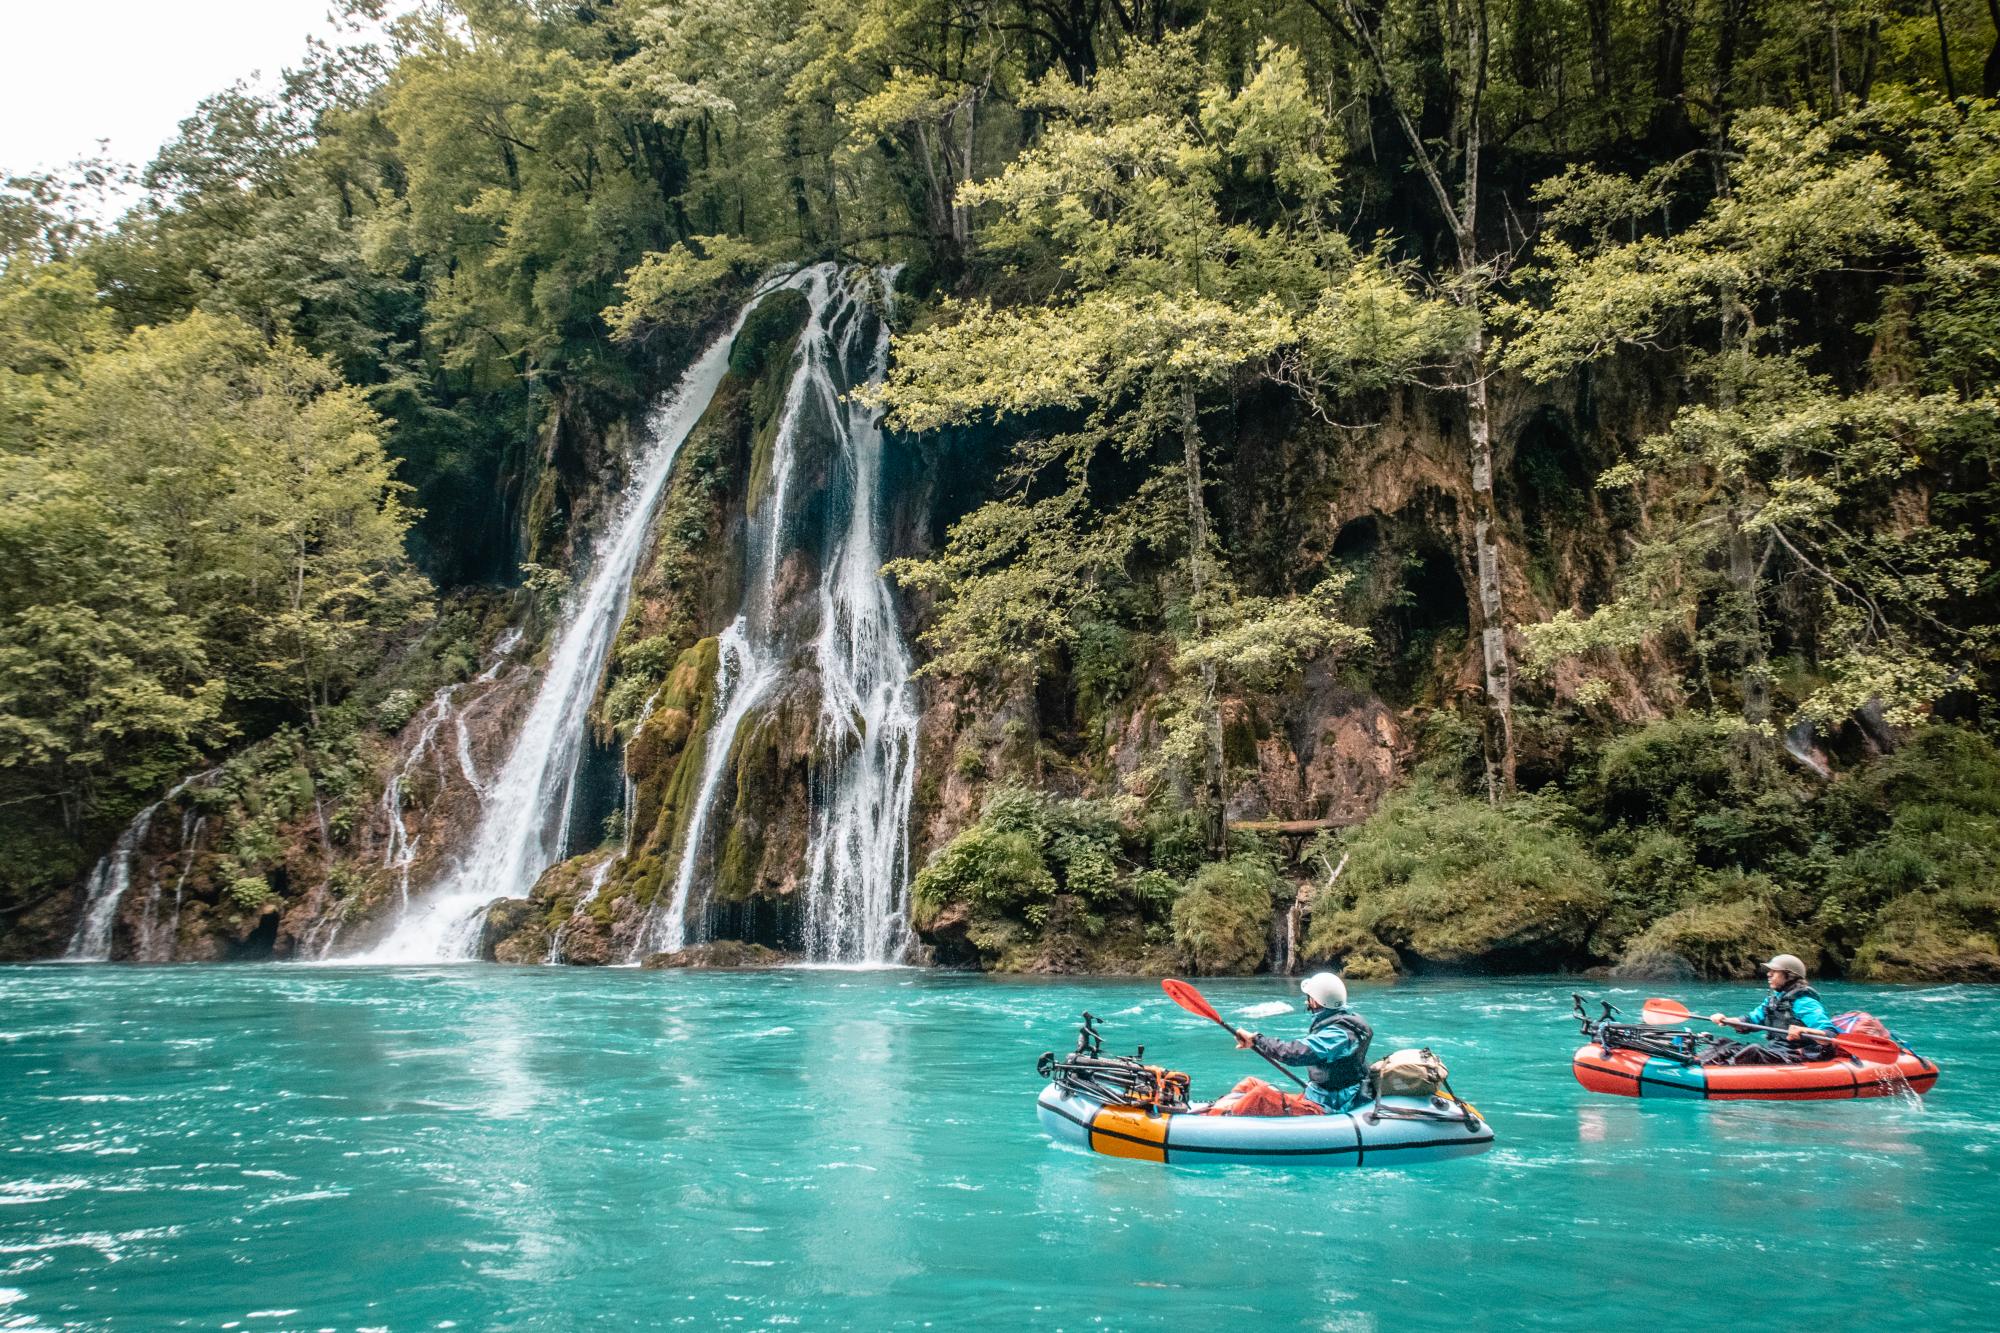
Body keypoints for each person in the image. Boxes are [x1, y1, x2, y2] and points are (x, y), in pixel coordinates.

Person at [1206, 972, 1372, 1116]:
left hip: (1328, 1107)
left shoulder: (1339, 1034)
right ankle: (1216, 1110)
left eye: (1309, 998)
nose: (1307, 1002)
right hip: (1317, 1095)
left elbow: (1294, 1053)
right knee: (1249, 1083)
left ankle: (1212, 1123)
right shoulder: (1337, 1024)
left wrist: (1257, 1039)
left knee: (1260, 1096)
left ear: (1315, 1001)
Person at [1701, 953, 1836, 1065]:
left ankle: (1719, 1072)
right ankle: (1697, 1063)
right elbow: (1749, 1021)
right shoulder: (1773, 1000)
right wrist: (1726, 1020)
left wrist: (1804, 1030)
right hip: (1774, 1050)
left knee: (1754, 1050)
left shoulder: (1805, 1002)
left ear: (1789, 976)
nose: (1768, 974)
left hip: (1795, 1055)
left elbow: (1830, 1034)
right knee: (1724, 1043)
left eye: (1774, 972)